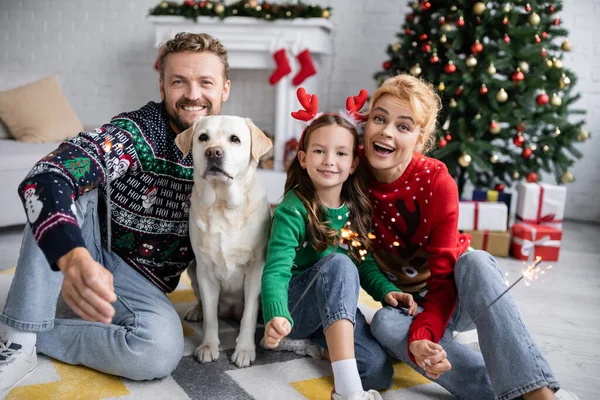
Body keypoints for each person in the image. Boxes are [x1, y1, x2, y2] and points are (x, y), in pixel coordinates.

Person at [0, 32, 231, 397]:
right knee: (63, 183)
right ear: (162, 86)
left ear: (224, 89)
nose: (192, 94)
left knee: (158, 352)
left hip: (143, 285)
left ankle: (35, 330)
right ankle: (18, 339)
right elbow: (43, 178)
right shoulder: (136, 132)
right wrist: (73, 258)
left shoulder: (232, 144)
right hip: (90, 246)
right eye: (178, 81)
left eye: (205, 82)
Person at [363, 74, 577, 400]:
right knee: (382, 324)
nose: (387, 131)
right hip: (406, 306)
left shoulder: (436, 181)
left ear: (420, 140)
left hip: (454, 290)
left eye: (403, 126)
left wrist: (424, 331)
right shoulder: (353, 177)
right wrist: (420, 338)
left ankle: (536, 392)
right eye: (379, 118)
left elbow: (444, 280)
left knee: (475, 262)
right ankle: (497, 392)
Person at [261, 89, 418, 400]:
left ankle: (325, 347)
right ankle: (346, 392)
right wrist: (276, 313)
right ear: (303, 159)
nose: (329, 161)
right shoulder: (294, 208)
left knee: (377, 371)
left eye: (341, 153)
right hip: (297, 306)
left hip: (333, 308)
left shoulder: (354, 207)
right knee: (339, 263)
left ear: (353, 163)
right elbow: (276, 270)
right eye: (319, 151)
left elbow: (363, 261)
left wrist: (386, 290)